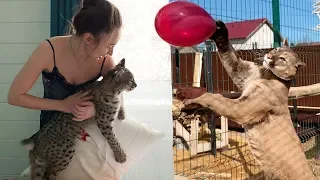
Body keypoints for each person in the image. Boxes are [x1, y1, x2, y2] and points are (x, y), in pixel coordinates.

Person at [8, 0, 123, 179]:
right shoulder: (49, 50)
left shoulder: (106, 62)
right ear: (88, 39)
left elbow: (118, 102)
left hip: (88, 138)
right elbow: (14, 96)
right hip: (52, 140)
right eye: (109, 45)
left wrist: (93, 110)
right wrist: (63, 105)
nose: (112, 52)